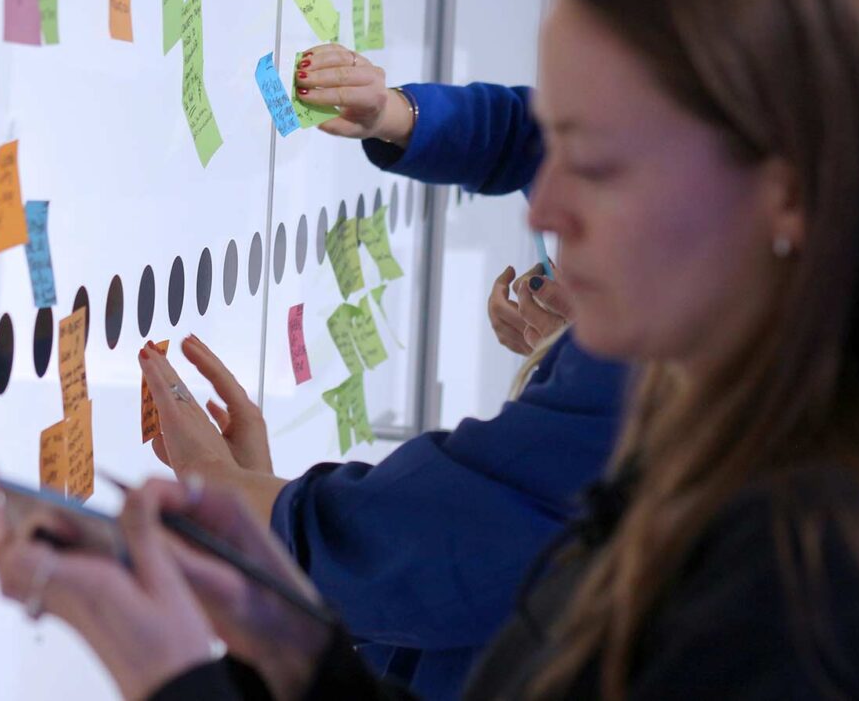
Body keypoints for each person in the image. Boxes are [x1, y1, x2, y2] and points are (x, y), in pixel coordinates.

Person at [0, 0, 859, 699]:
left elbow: (443, 543)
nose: (551, 205)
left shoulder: (805, 582)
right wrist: (288, 641)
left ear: (789, 190)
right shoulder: (733, 441)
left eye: (601, 164)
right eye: (556, 144)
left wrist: (172, 671)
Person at [136, 64, 614, 698]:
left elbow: (432, 543)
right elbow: (536, 135)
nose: (542, 209)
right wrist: (399, 115)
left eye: (610, 178)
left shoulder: (647, 385)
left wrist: (225, 496)